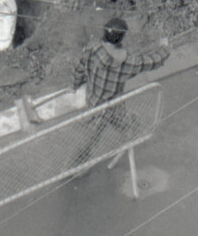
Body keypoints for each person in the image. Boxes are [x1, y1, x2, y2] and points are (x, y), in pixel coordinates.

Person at [71, 16, 170, 166]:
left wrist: (74, 84)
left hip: (94, 102)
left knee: (92, 136)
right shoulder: (128, 63)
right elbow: (152, 61)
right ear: (121, 38)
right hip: (114, 105)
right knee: (104, 132)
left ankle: (76, 164)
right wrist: (164, 48)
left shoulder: (92, 49)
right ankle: (76, 166)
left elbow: (79, 68)